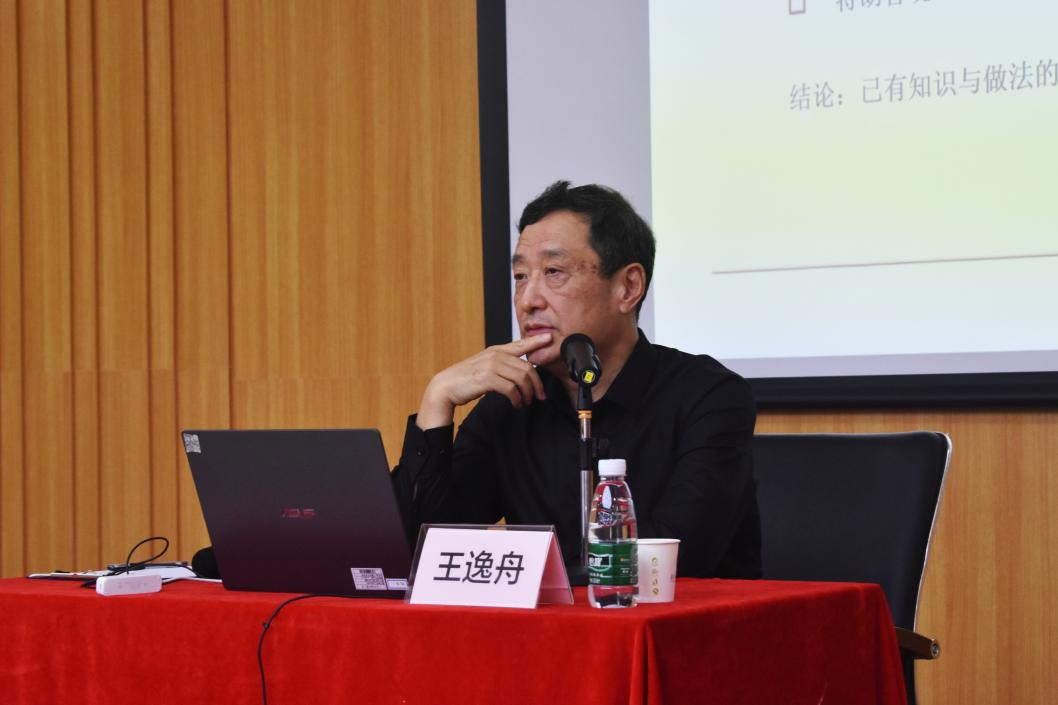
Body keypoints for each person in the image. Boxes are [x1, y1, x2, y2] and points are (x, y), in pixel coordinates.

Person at [391, 181, 760, 578]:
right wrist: (437, 401)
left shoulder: (709, 397)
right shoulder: (512, 404)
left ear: (628, 287)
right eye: (520, 276)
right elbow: (416, 556)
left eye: (554, 272)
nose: (528, 300)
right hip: (549, 618)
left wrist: (526, 578)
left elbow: (673, 560)